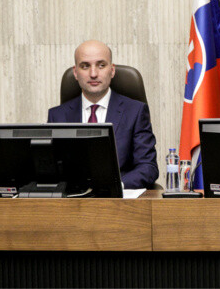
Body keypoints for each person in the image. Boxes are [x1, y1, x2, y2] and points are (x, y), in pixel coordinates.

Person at [48, 40, 159, 189]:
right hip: (73, 202)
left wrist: (115, 186)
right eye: (85, 66)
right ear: (75, 73)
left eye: (101, 65)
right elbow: (50, 170)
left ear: (112, 70)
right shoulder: (57, 116)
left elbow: (148, 167)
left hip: (119, 201)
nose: (93, 74)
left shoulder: (136, 111)